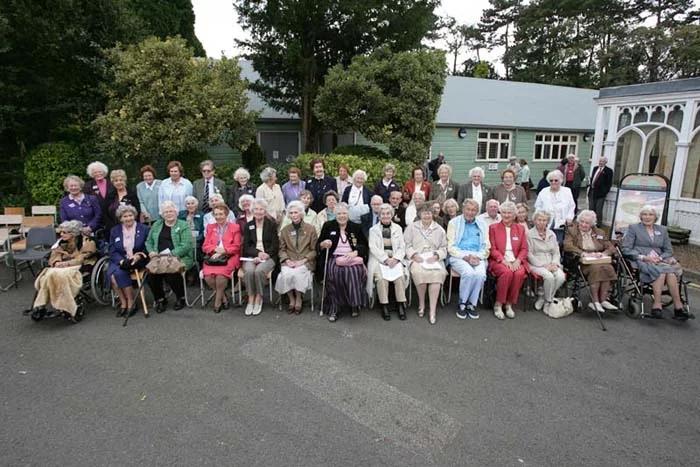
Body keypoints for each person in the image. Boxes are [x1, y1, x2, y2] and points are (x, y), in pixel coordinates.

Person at [621, 205, 689, 320]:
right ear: (641, 216)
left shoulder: (662, 230)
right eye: (644, 214)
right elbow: (626, 249)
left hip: (659, 261)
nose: (647, 217)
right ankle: (657, 305)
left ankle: (678, 307)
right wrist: (644, 257)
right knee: (663, 272)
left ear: (655, 217)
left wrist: (661, 258)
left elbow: (668, 250)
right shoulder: (634, 228)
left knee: (670, 273)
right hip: (641, 260)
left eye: (650, 214)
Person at [30, 220, 97, 320]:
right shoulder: (60, 243)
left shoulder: (87, 242)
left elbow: (82, 258)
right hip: (61, 266)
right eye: (60, 232)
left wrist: (66, 263)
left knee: (60, 276)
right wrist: (56, 262)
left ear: (73, 233)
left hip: (79, 265)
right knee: (46, 276)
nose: (61, 234)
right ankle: (41, 303)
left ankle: (66, 306)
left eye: (64, 232)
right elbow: (54, 255)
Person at [318, 203, 369, 322]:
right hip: (333, 257)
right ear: (335, 215)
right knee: (334, 272)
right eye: (339, 213)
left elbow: (365, 246)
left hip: (352, 257)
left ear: (348, 214)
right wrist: (324, 244)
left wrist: (355, 252)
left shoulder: (355, 227)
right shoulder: (328, 225)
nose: (342, 216)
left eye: (344, 213)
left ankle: (354, 304)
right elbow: (319, 244)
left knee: (354, 272)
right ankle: (334, 307)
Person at [564, 210, 618, 314]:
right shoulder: (572, 231)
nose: (584, 224)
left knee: (608, 268)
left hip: (598, 258)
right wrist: (583, 253)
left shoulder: (599, 232)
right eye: (582, 222)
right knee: (596, 268)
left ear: (592, 224)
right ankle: (595, 301)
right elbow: (567, 246)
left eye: (587, 223)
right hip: (582, 261)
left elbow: (611, 247)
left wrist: (604, 254)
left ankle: (603, 300)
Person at [145, 201, 194, 313]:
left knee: (171, 271)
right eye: (166, 212)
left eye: (171, 211)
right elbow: (149, 241)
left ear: (176, 212)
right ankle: (160, 299)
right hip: (158, 257)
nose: (169, 213)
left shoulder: (183, 225)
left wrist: (170, 254)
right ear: (162, 214)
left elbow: (186, 245)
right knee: (151, 274)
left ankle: (180, 297)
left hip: (180, 257)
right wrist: (151, 251)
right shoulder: (157, 224)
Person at [404, 203, 448, 324]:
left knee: (437, 275)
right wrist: (413, 255)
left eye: (429, 213)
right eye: (424, 213)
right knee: (419, 272)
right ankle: (422, 304)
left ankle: (432, 311)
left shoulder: (439, 230)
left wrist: (436, 256)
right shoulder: (412, 227)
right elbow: (406, 245)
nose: (427, 216)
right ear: (419, 214)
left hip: (433, 259)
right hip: (417, 258)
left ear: (433, 215)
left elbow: (444, 248)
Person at [447, 199, 489, 320]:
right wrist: (465, 257)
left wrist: (479, 256)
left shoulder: (482, 224)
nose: (470, 212)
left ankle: (472, 304)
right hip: (459, 255)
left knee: (480, 274)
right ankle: (462, 303)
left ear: (477, 211)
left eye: (473, 210)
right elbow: (451, 246)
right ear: (463, 209)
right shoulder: (454, 223)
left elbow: (486, 245)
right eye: (468, 209)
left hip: (477, 255)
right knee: (469, 272)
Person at [488, 201, 529, 320]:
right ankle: (499, 303)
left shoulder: (520, 229)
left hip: (515, 259)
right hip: (499, 260)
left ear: (514, 215)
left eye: (509, 213)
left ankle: (509, 303)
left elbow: (524, 248)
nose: (506, 215)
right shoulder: (493, 228)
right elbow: (492, 248)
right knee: (507, 273)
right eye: (504, 212)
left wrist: (518, 261)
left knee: (519, 273)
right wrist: (503, 260)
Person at [107, 205, 149, 317]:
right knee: (113, 276)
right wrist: (120, 260)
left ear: (134, 216)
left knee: (118, 274)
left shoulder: (143, 229)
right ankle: (123, 302)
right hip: (120, 260)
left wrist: (139, 256)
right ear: (121, 218)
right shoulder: (115, 230)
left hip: (138, 260)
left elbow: (147, 246)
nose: (128, 218)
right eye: (125, 216)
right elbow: (112, 249)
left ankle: (131, 302)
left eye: (130, 215)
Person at [276, 200, 317, 314]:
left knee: (298, 274)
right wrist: (287, 260)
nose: (294, 215)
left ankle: (299, 299)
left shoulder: (310, 229)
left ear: (301, 213)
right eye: (291, 213)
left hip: (305, 260)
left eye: (296, 212)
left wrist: (304, 260)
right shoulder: (285, 230)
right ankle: (291, 299)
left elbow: (314, 250)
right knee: (286, 274)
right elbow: (281, 249)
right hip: (289, 260)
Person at [368, 204, 408, 321]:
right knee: (381, 278)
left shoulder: (398, 228)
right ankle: (384, 305)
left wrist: (395, 259)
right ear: (379, 216)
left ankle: (401, 304)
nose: (385, 216)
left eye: (388, 213)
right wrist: (385, 259)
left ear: (392, 215)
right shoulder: (373, 230)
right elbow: (373, 247)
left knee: (399, 277)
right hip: (379, 259)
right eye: (383, 214)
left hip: (395, 259)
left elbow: (402, 246)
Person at [241, 198, 279, 316]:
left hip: (269, 256)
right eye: (256, 209)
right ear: (252, 210)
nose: (258, 211)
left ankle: (259, 297)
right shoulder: (248, 225)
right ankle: (251, 297)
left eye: (261, 209)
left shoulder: (271, 224)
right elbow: (246, 246)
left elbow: (275, 244)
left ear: (265, 210)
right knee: (249, 271)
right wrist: (257, 254)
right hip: (252, 256)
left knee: (259, 271)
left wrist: (265, 254)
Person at [201, 204, 241, 313]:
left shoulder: (235, 227)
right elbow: (205, 246)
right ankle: (224, 297)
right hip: (213, 257)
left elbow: (237, 246)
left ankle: (218, 301)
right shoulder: (210, 227)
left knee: (220, 276)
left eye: (221, 214)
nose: (218, 217)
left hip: (230, 256)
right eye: (216, 214)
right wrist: (215, 250)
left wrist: (223, 251)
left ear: (227, 214)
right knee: (208, 277)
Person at [527, 210, 565, 314]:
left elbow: (556, 252)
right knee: (549, 277)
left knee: (561, 277)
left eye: (544, 220)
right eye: (539, 220)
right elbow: (529, 254)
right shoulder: (529, 234)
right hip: (536, 263)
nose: (542, 222)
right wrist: (543, 265)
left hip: (551, 262)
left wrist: (555, 263)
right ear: (534, 220)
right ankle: (549, 301)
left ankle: (543, 297)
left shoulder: (551, 234)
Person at [535, 169, 576, 245]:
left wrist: (569, 217)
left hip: (561, 223)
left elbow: (572, 206)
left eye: (556, 180)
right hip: (546, 223)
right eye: (551, 180)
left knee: (559, 243)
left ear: (561, 181)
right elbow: (538, 206)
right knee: (545, 242)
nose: (553, 182)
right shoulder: (543, 191)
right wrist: (539, 219)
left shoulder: (567, 191)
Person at [587, 156, 613, 227]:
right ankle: (590, 222)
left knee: (598, 210)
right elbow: (592, 178)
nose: (600, 162)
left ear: (605, 162)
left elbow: (608, 183)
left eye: (602, 161)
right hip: (592, 191)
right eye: (600, 161)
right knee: (591, 208)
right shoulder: (595, 168)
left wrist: (604, 192)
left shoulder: (608, 171)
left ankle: (598, 224)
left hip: (601, 193)